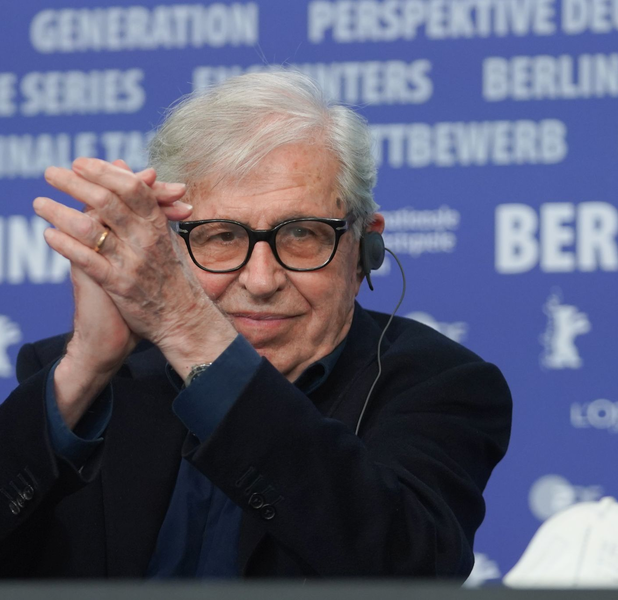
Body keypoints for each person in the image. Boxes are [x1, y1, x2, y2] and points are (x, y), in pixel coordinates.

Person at [0, 70, 512, 578]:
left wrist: (187, 330)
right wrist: (86, 368)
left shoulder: (440, 384)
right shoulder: (79, 377)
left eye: (302, 235)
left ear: (363, 248)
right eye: (221, 236)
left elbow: (406, 568)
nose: (262, 279)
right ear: (172, 247)